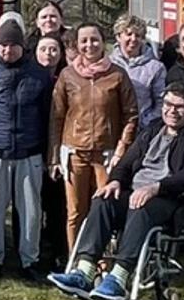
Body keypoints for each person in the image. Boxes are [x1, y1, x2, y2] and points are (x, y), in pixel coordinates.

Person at [46, 83, 184, 300]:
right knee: (103, 200)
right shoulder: (153, 129)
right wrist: (115, 181)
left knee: (139, 206)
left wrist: (155, 187)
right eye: (168, 104)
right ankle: (84, 271)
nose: (172, 111)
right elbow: (127, 162)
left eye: (180, 107)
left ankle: (119, 278)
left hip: (172, 197)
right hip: (136, 192)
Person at [0, 21, 54, 282]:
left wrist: (47, 153)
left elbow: (49, 116)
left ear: (22, 47)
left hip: (29, 151)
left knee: (31, 210)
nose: (7, 50)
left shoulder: (39, 74)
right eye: (3, 45)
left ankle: (30, 260)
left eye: (13, 45)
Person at [51, 23, 140, 259]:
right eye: (84, 41)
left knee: (104, 210)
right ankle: (76, 262)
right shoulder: (68, 75)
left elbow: (131, 115)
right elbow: (57, 117)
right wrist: (54, 157)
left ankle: (101, 264)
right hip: (75, 153)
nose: (89, 45)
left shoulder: (117, 75)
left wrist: (121, 150)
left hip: (106, 153)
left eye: (94, 40)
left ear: (103, 42)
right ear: (76, 44)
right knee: (75, 212)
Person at [111, 14, 167, 125]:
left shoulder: (156, 67)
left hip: (142, 127)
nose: (133, 39)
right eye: (129, 34)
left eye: (138, 35)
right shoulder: (108, 64)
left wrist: (145, 123)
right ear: (118, 37)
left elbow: (161, 102)